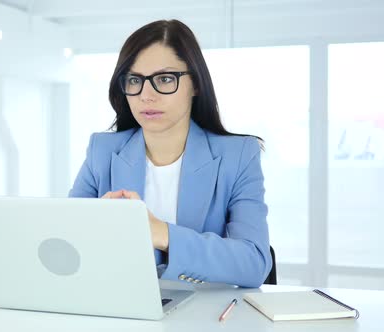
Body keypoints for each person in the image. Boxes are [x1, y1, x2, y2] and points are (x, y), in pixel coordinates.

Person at [68, 19, 272, 288]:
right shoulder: (102, 152)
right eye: (134, 80)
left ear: (196, 84)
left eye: (165, 79)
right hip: (119, 309)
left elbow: (254, 263)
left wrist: (161, 233)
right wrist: (96, 227)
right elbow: (68, 243)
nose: (146, 95)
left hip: (205, 317)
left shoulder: (238, 155)